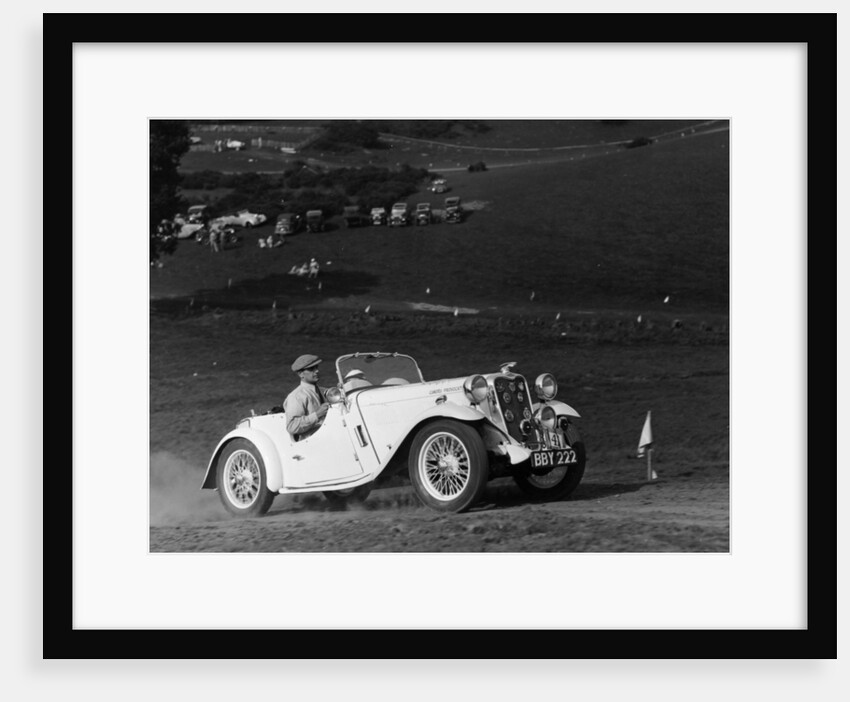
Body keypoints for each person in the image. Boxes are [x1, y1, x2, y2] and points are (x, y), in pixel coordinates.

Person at [283, 354, 330, 442]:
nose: (317, 371)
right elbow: (292, 426)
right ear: (301, 374)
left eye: (316, 367)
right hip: (312, 442)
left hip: (330, 436)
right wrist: (317, 415)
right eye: (311, 369)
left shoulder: (324, 391)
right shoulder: (296, 396)